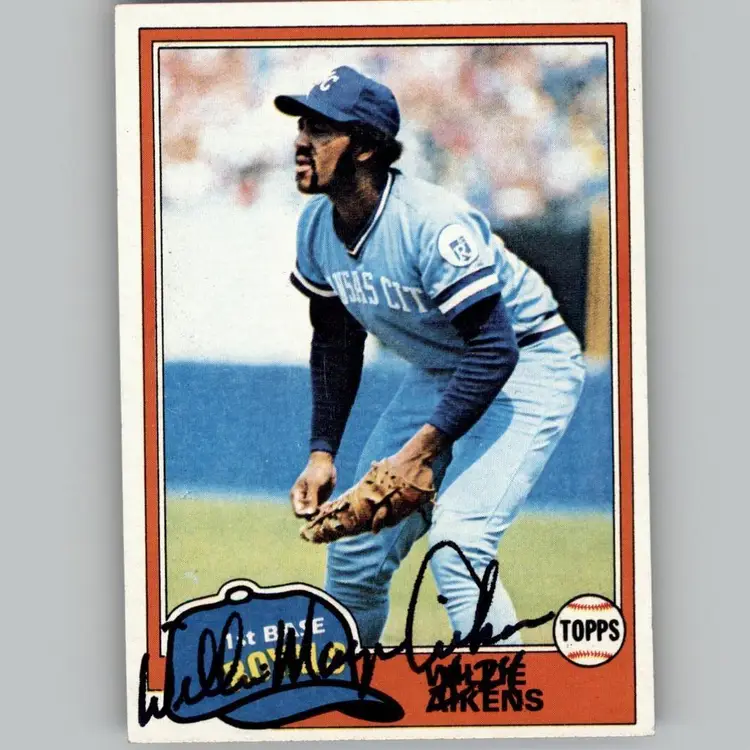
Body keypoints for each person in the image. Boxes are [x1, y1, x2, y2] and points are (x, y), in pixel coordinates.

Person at [275, 66, 586, 646]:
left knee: (458, 544)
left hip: (528, 361)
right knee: (355, 553)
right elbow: (335, 342)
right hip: (445, 367)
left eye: (319, 129)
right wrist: (323, 453)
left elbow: (495, 347)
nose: (300, 141)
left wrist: (418, 454)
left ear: (365, 147)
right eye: (301, 126)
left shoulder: (431, 222)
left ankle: (506, 695)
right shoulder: (316, 226)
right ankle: (345, 690)